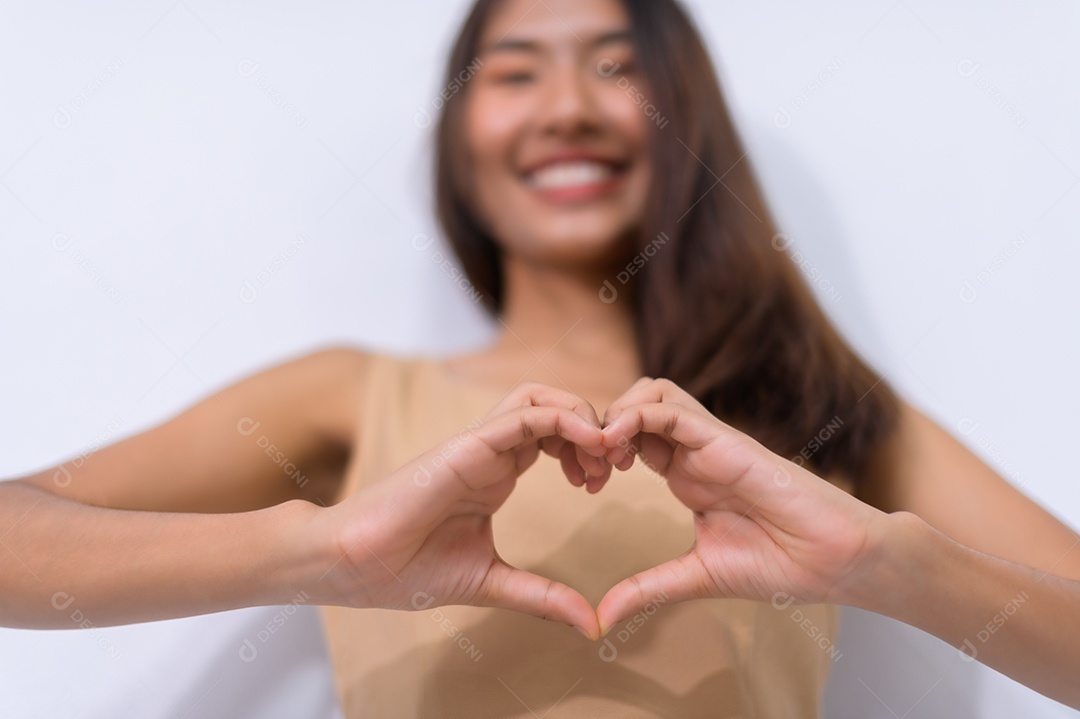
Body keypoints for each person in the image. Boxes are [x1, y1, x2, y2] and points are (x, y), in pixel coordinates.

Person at [2, 0, 1078, 716]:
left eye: (616, 69)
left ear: (681, 118)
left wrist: (892, 565)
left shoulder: (809, 396)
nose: (567, 107)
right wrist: (313, 552)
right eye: (515, 73)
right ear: (458, 138)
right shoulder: (347, 394)